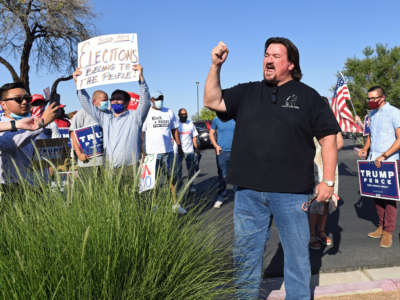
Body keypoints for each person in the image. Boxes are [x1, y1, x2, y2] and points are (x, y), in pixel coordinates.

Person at [204, 38, 340, 299]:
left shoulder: (308, 96)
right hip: (248, 193)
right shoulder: (247, 92)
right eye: (267, 54)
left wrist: (329, 181)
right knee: (245, 255)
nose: (269, 59)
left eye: (276, 56)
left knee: (297, 258)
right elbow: (212, 100)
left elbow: (328, 139)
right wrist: (215, 66)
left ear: (290, 64)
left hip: (292, 194)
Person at [73, 64, 151, 168]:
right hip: (110, 170)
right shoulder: (105, 118)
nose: (115, 101)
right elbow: (86, 103)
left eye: (119, 99)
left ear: (127, 102)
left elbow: (145, 101)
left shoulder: (135, 117)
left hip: (130, 168)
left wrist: (141, 79)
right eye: (113, 99)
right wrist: (78, 83)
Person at [358, 85, 400, 248]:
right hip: (373, 160)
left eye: (372, 98)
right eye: (368, 98)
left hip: (389, 160)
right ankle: (381, 227)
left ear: (382, 98)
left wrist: (384, 155)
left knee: (389, 197)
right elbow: (371, 136)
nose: (370, 101)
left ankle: (388, 232)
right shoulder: (372, 114)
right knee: (376, 194)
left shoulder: (394, 113)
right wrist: (365, 149)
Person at [0, 82, 58, 186]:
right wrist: (41, 124)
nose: (24, 102)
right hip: (14, 187)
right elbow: (9, 144)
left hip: (41, 184)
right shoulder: (3, 124)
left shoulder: (41, 122)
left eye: (27, 98)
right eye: (18, 99)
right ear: (3, 104)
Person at [141, 91, 186, 214]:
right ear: (152, 99)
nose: (159, 100)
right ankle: (154, 206)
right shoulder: (146, 113)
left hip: (168, 152)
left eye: (161, 98)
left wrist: (179, 145)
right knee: (152, 182)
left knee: (172, 179)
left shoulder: (169, 112)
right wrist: (142, 151)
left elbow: (175, 130)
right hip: (151, 153)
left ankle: (176, 205)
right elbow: (142, 133)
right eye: (157, 98)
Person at [309, 96, 344, 250]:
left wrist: (328, 150)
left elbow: (340, 142)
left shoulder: (331, 122)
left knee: (326, 203)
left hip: (329, 167)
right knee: (315, 202)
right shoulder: (309, 121)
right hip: (314, 166)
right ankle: (311, 235)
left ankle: (322, 231)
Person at [70, 90, 108, 174]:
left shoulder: (109, 114)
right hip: (87, 163)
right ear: (94, 101)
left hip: (105, 162)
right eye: (104, 100)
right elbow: (73, 134)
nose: (106, 102)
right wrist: (79, 153)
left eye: (107, 100)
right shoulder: (82, 113)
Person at [209, 116, 235, 208]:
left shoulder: (236, 118)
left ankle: (239, 197)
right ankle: (221, 196)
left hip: (235, 152)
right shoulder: (216, 119)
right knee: (222, 175)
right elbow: (211, 133)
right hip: (222, 152)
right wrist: (216, 146)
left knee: (237, 175)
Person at [175, 108, 199, 192]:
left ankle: (191, 186)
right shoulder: (176, 124)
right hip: (179, 151)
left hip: (189, 151)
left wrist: (196, 148)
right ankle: (179, 188)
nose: (184, 116)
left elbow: (194, 137)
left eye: (185, 114)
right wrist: (178, 148)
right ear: (179, 115)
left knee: (191, 170)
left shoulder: (190, 123)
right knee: (178, 171)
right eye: (182, 114)